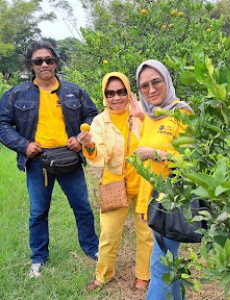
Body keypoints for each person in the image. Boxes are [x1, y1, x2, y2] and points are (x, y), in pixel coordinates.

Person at [0, 41, 99, 277]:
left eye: (49, 60)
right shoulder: (16, 94)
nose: (44, 64)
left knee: (83, 208)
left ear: (55, 63)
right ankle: (38, 258)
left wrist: (79, 137)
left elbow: (94, 116)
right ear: (31, 65)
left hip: (70, 158)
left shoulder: (75, 91)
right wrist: (24, 146)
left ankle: (92, 249)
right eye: (38, 61)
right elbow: (2, 124)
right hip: (38, 162)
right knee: (38, 212)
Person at [77, 72, 153, 293]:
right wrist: (89, 145)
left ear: (129, 92)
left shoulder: (141, 113)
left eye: (121, 91)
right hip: (114, 187)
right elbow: (100, 156)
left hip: (144, 184)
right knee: (108, 235)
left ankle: (142, 276)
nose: (116, 97)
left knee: (146, 234)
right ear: (104, 96)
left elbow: (158, 137)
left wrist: (143, 116)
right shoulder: (100, 122)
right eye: (110, 93)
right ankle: (103, 275)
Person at [133, 59, 194, 300]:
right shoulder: (151, 116)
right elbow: (147, 171)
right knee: (168, 264)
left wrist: (157, 154)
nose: (151, 90)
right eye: (144, 85)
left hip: (174, 201)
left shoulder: (182, 112)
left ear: (167, 80)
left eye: (156, 81)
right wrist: (141, 204)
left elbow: (193, 159)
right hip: (155, 202)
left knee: (158, 267)